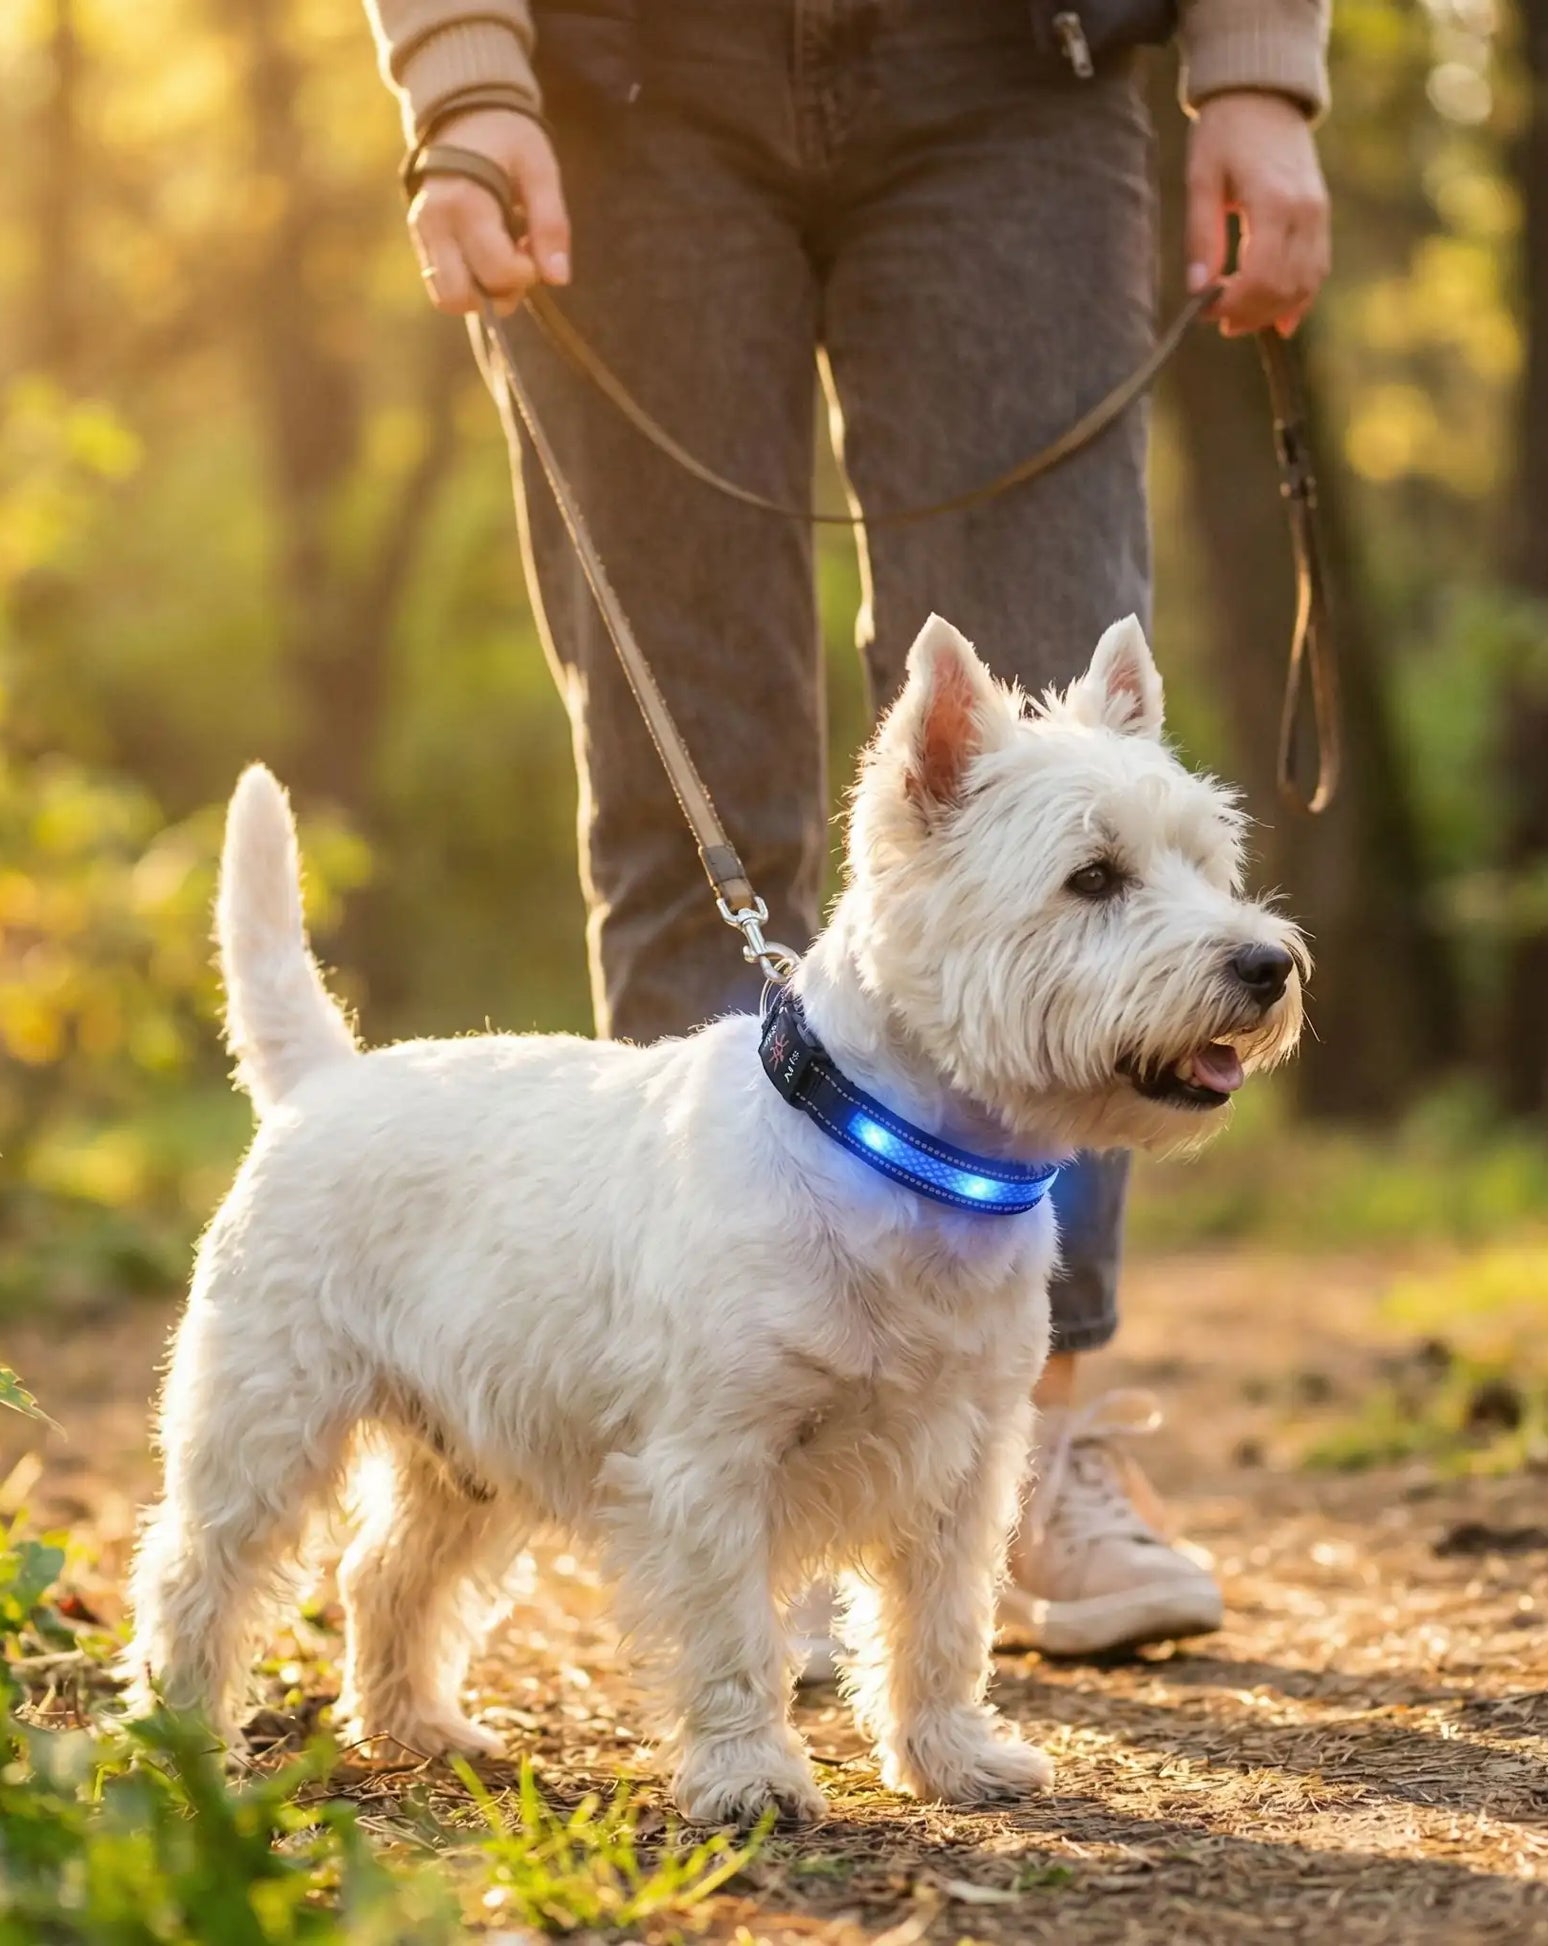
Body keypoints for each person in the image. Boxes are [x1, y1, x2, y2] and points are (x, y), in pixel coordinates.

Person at [366, 0, 1331, 1667]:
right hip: (622, 82)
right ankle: (741, 1454)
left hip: (1023, 67)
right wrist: (462, 72)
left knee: (1067, 754)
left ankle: (1021, 1433)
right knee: (685, 783)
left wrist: (1256, 69)